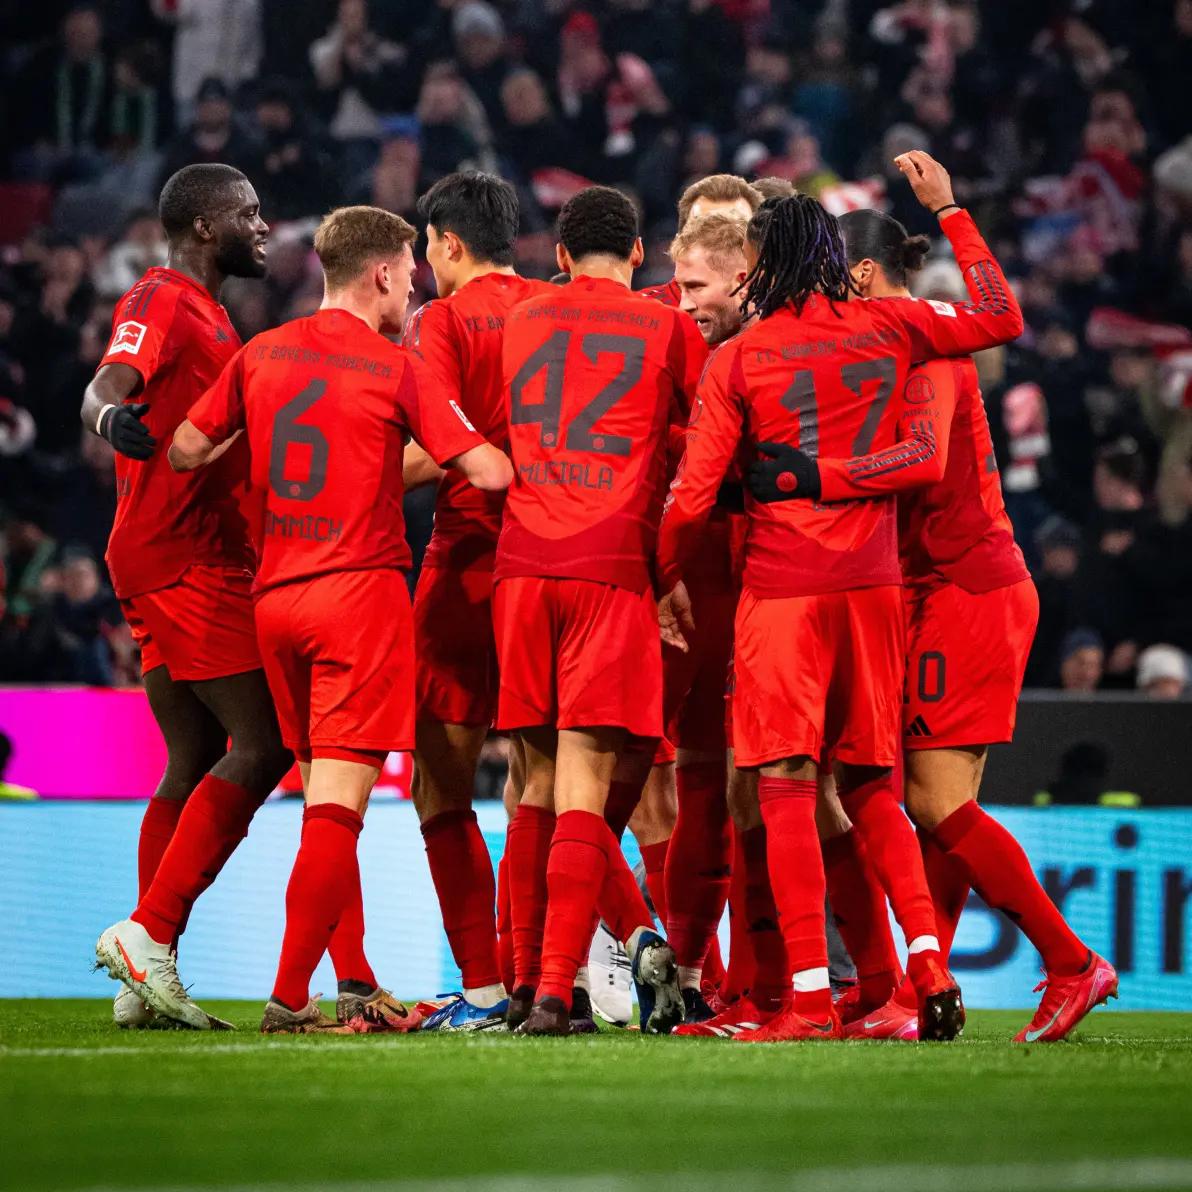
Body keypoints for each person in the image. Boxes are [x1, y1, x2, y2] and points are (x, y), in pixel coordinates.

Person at [657, 152, 1025, 1042]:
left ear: (765, 264)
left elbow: (691, 500)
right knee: (868, 787)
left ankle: (811, 998)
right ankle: (927, 964)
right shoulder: (891, 324)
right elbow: (1000, 316)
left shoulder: (741, 358)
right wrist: (951, 212)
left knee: (784, 790)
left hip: (783, 593)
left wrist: (663, 580)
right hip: (875, 591)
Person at [748, 201, 1118, 1044]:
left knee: (932, 799)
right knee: (935, 808)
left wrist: (815, 476)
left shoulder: (919, 352)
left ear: (861, 275)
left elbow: (921, 460)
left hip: (964, 589)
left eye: (827, 279)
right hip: (935, 587)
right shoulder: (885, 349)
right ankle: (923, 993)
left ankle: (1070, 961)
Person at [167, 204, 513, 1033]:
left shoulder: (261, 353)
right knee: (337, 811)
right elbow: (489, 473)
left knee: (323, 800)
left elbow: (183, 447)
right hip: (357, 597)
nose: (415, 288)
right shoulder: (396, 367)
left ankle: (347, 981)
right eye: (409, 273)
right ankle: (290, 997)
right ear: (383, 273)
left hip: (276, 601)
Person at [88, 163, 293, 1032]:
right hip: (184, 558)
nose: (263, 225)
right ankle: (151, 935)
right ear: (206, 226)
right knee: (267, 741)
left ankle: (143, 973)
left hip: (169, 552)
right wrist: (107, 417)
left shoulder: (209, 312)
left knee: (193, 753)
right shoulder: (163, 299)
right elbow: (109, 379)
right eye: (248, 212)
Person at [495, 186, 705, 1036]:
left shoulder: (520, 319)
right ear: (641, 253)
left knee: (532, 780)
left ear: (559, 255)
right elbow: (707, 443)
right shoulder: (670, 328)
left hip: (520, 566)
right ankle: (557, 991)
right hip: (610, 566)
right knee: (584, 783)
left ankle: (522, 985)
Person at [401, 171, 554, 1031]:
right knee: (548, 779)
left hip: (467, 561)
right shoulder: (556, 306)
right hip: (557, 559)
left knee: (441, 784)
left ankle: (489, 987)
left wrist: (359, 475)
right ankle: (559, 974)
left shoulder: (443, 320)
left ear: (448, 243)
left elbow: (435, 443)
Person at [639, 174, 762, 306]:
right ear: (680, 241)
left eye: (738, 232)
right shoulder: (646, 310)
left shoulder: (775, 310)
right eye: (703, 231)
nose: (722, 247)